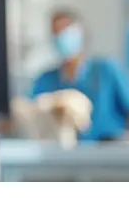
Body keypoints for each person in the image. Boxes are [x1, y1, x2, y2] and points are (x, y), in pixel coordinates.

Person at [29, 9, 129, 141]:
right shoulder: (46, 80)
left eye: (65, 31)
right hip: (60, 155)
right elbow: (30, 112)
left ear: (80, 32)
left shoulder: (107, 71)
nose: (61, 37)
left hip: (107, 153)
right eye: (56, 33)